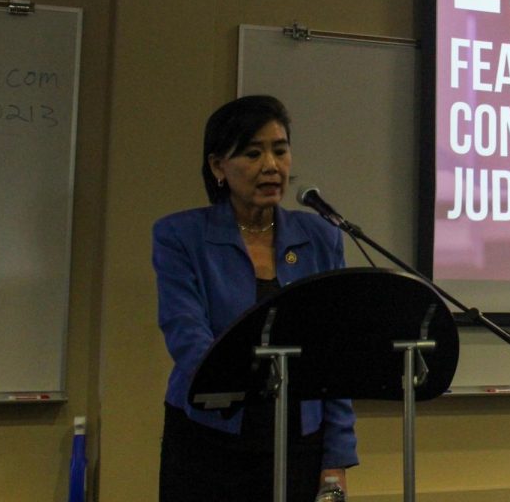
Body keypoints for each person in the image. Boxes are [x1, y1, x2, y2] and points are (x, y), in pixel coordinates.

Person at [153, 95, 357, 500]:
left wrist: (336, 457)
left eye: (280, 151)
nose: (271, 166)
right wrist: (240, 385)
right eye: (252, 153)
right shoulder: (181, 236)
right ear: (218, 167)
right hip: (211, 435)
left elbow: (334, 356)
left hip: (300, 439)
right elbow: (185, 332)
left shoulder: (320, 237)